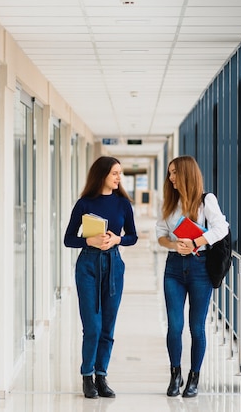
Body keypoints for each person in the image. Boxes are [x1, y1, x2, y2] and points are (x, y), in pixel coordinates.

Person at [64, 156, 138, 399]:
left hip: (114, 265)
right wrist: (89, 240)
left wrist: (117, 239)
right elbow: (68, 239)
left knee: (107, 326)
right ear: (102, 175)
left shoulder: (123, 204)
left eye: (120, 173)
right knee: (92, 327)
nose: (119, 178)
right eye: (115, 173)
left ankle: (101, 376)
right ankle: (87, 376)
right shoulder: (84, 203)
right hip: (88, 265)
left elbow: (133, 236)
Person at [155, 155, 229, 398]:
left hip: (200, 268)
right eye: (169, 173)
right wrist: (176, 245)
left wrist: (195, 241)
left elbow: (221, 228)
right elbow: (161, 235)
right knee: (174, 326)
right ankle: (175, 373)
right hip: (174, 268)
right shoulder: (169, 202)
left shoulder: (206, 200)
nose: (171, 177)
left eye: (175, 172)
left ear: (187, 173)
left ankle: (194, 377)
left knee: (197, 327)